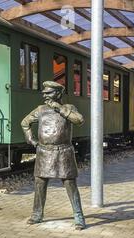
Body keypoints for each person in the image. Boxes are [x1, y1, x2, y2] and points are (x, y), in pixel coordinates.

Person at [21, 81, 86, 230]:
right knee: (40, 183)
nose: (44, 95)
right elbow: (25, 123)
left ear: (58, 93)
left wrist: (60, 109)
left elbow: (79, 120)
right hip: (44, 152)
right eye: (44, 92)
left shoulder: (68, 108)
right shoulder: (41, 110)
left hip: (64, 152)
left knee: (70, 184)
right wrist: (31, 140)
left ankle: (78, 216)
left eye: (48, 92)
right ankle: (37, 214)